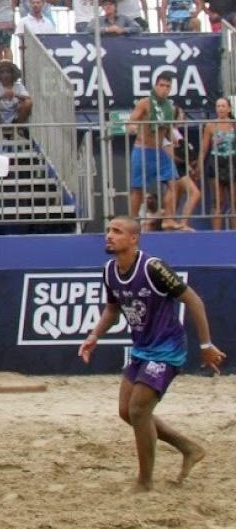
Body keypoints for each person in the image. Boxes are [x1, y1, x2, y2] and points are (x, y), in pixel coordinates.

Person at [78, 216, 224, 491]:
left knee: (138, 409)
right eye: (108, 230)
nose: (109, 235)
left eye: (117, 231)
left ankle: (144, 482)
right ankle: (188, 447)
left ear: (134, 239)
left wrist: (206, 346)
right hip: (142, 349)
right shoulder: (110, 270)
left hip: (168, 348)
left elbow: (193, 300)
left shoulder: (153, 267)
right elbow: (113, 308)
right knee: (126, 412)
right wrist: (94, 335)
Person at [125, 73, 184, 227]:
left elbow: (168, 131)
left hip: (159, 151)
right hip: (142, 149)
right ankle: (132, 222)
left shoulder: (169, 108)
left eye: (168, 86)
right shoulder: (145, 103)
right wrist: (132, 127)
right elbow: (132, 120)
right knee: (138, 188)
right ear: (155, 86)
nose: (164, 89)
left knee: (174, 183)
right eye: (162, 85)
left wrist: (176, 139)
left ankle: (168, 219)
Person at [198, 96, 235, 230]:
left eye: (223, 106)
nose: (220, 109)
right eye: (218, 106)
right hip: (216, 163)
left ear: (229, 108)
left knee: (234, 202)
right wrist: (198, 166)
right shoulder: (210, 125)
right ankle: (217, 234)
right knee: (217, 202)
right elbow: (204, 147)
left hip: (232, 162)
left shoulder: (234, 123)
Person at [0, 61, 32, 132]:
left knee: (28, 103)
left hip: (15, 114)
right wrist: (2, 96)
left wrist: (15, 95)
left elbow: (28, 98)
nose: (5, 74)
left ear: (12, 74)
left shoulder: (19, 86)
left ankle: (16, 131)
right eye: (2, 72)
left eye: (8, 72)